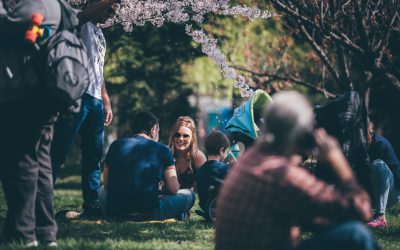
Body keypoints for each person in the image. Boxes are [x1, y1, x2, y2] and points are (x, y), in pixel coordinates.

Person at [216, 91, 379, 250]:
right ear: (302, 134)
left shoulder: (253, 158)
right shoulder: (282, 173)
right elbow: (361, 210)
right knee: (356, 234)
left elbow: (314, 217)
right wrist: (337, 159)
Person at [0, 0, 61, 246]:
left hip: (25, 95)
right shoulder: (56, 5)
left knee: (21, 165)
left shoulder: (36, 5)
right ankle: (45, 231)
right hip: (43, 95)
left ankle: (23, 233)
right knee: (41, 166)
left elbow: (5, 25)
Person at [51, 0, 115, 218]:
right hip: (76, 96)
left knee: (94, 156)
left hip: (95, 100)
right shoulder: (79, 19)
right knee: (58, 150)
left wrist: (105, 99)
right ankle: (39, 200)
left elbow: (99, 68)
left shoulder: (100, 35)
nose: (111, 14)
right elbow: (85, 15)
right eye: (108, 8)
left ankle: (92, 205)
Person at [98, 111, 195, 220]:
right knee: (189, 195)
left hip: (115, 212)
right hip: (148, 213)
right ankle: (179, 213)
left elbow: (107, 185)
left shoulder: (115, 146)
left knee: (101, 190)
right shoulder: (162, 150)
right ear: (153, 130)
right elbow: (173, 189)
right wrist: (159, 191)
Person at [367, 130, 400, 227]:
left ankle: (380, 216)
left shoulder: (380, 144)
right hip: (370, 194)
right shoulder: (349, 146)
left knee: (378, 165)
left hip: (392, 193)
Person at [196, 130, 231, 219]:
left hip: (207, 210)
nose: (226, 155)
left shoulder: (200, 170)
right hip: (224, 210)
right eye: (227, 152)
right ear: (222, 150)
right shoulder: (226, 168)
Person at [168, 117, 207, 189]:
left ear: (192, 138)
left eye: (185, 136)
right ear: (173, 137)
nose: (181, 138)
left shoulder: (198, 157)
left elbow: (204, 186)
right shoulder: (166, 154)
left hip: (189, 198)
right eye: (177, 135)